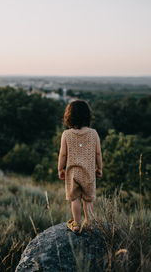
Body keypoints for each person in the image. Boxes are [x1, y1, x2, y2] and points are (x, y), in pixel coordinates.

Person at [58, 99, 102, 233]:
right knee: (88, 200)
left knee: (75, 198)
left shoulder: (66, 134)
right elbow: (98, 153)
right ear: (87, 115)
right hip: (88, 172)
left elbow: (63, 154)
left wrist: (60, 168)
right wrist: (99, 168)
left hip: (72, 173)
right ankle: (89, 223)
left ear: (69, 116)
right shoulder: (93, 133)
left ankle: (76, 224)